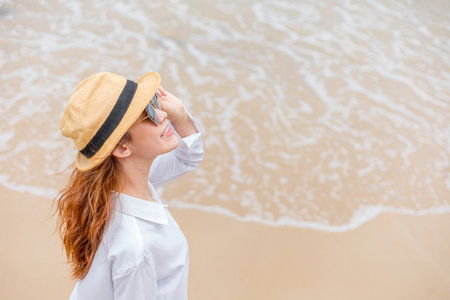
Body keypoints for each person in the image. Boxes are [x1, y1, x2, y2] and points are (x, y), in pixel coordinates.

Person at [55, 71, 204, 300]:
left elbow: (187, 157)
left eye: (153, 102)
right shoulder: (137, 249)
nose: (162, 114)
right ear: (123, 148)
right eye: (148, 115)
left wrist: (181, 115)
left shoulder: (122, 182)